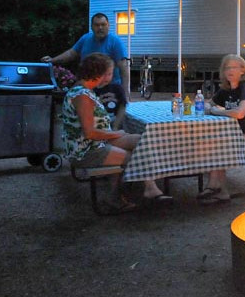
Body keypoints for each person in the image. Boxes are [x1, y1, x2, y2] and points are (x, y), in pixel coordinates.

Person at [60, 53, 171, 212]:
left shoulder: (84, 90)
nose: (111, 78)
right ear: (100, 74)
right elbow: (90, 132)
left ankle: (129, 192)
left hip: (97, 142)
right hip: (86, 150)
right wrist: (116, 134)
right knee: (136, 157)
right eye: (110, 74)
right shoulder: (82, 96)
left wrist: (116, 134)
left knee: (142, 141)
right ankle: (143, 191)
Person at [200, 54, 245, 205]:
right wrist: (208, 106)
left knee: (220, 148)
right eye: (227, 68)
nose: (229, 71)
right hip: (237, 133)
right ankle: (219, 189)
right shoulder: (225, 90)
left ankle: (216, 188)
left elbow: (239, 113)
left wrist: (215, 111)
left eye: (234, 67)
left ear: (242, 70)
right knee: (212, 143)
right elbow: (208, 104)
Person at [43, 12, 129, 128]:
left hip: (110, 88)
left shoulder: (115, 42)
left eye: (103, 25)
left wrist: (125, 93)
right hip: (88, 88)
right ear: (92, 27)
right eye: (97, 25)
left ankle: (111, 135)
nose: (100, 28)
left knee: (110, 119)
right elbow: (71, 53)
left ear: (108, 25)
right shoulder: (85, 39)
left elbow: (124, 68)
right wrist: (53, 60)